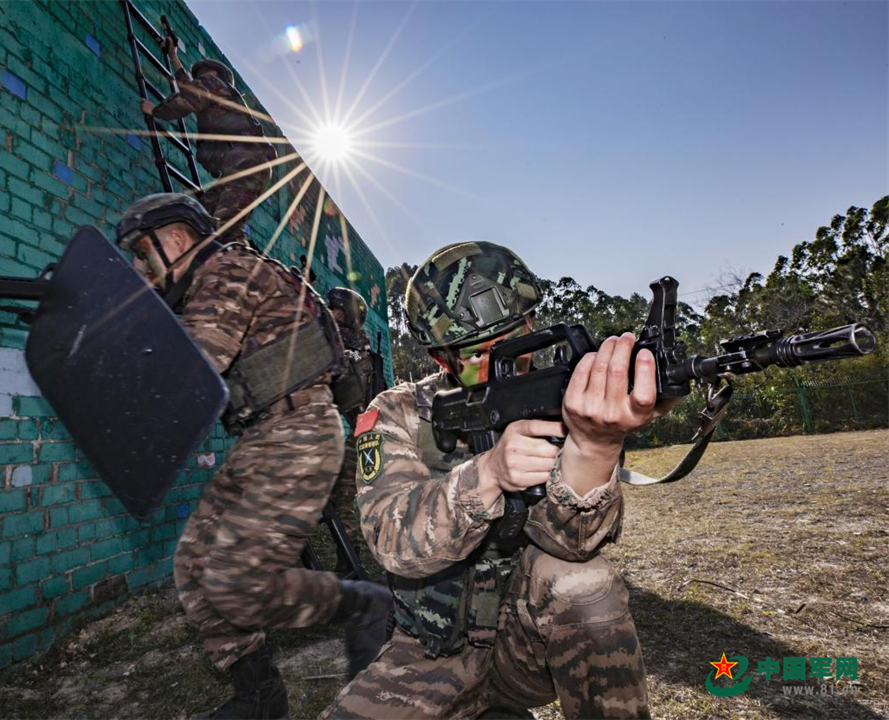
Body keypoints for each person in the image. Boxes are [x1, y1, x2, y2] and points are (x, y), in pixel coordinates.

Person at [323, 241, 673, 719]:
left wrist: (595, 446)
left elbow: (574, 544)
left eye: (511, 340)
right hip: (427, 655)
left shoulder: (560, 398)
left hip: (523, 646)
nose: (497, 362)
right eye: (474, 353)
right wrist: (487, 474)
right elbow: (392, 542)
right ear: (439, 355)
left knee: (586, 583)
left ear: (530, 326)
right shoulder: (394, 413)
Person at [117, 193, 391, 720]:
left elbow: (189, 376)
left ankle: (363, 604)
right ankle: (259, 695)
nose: (136, 266)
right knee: (195, 568)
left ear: (175, 240)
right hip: (264, 435)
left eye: (141, 252)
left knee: (235, 582)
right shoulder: (214, 279)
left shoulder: (226, 273)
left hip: (300, 433)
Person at [140, 38, 276, 245]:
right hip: (242, 165)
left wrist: (155, 110)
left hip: (246, 162)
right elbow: (188, 88)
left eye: (202, 76)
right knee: (205, 213)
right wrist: (173, 55)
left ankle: (240, 271)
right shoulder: (214, 91)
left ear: (213, 75)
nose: (200, 79)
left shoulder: (212, 84)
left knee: (227, 227)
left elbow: (185, 100)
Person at [326, 287, 385, 572]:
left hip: (361, 432)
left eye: (335, 310)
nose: (330, 315)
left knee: (342, 501)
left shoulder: (342, 348)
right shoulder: (360, 349)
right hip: (366, 430)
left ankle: (349, 564)